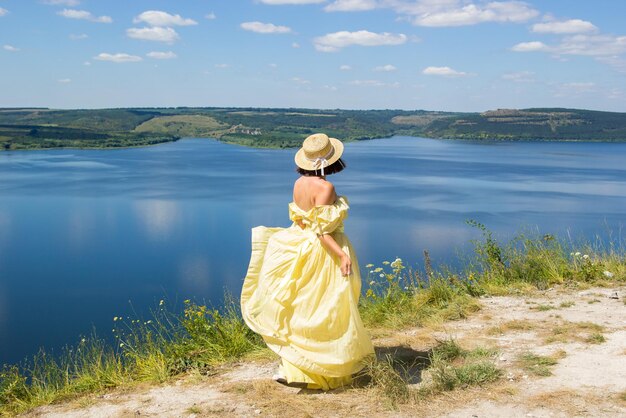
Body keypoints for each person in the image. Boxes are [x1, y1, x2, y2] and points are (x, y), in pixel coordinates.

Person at [241, 133, 375, 390]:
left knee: (301, 309)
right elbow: (322, 232)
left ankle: (295, 367)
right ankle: (325, 368)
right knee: (328, 309)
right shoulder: (326, 188)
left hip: (297, 244)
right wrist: (342, 254)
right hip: (320, 252)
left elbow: (301, 220)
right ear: (331, 161)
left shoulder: (299, 183)